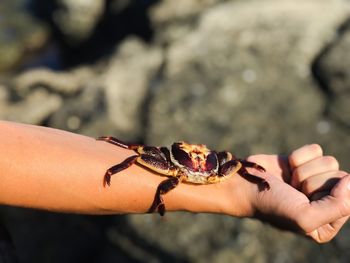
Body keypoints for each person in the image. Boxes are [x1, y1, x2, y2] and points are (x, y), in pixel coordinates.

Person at [0, 120, 348, 244]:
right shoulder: (208, 168)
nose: (196, 152)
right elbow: (137, 154)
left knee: (141, 156)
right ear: (179, 153)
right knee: (139, 155)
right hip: (207, 176)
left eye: (199, 152)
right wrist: (242, 188)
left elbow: (237, 164)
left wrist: (249, 186)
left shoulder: (193, 164)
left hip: (202, 174)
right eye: (191, 151)